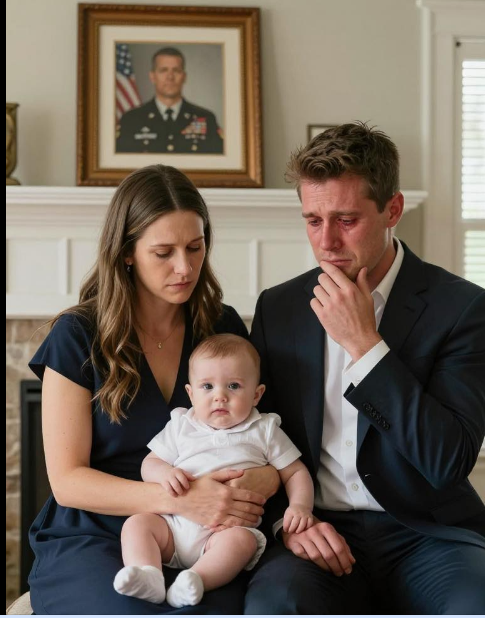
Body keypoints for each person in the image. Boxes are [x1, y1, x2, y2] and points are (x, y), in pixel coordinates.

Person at [245, 122, 485, 615]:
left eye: (346, 220)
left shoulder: (462, 308)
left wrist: (365, 344)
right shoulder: (279, 308)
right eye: (313, 220)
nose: (327, 242)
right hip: (316, 526)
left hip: (428, 533)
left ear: (392, 210)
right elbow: (257, 436)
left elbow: (448, 459)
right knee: (274, 606)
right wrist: (289, 522)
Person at [27, 164, 280, 615]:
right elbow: (67, 481)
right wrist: (182, 499)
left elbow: (260, 435)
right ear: (126, 252)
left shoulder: (220, 327)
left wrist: (262, 479)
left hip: (205, 537)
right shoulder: (77, 335)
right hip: (98, 530)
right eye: (163, 253)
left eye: (195, 247)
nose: (185, 267)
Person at [113, 333, 314, 607]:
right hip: (173, 526)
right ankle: (148, 574)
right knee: (137, 524)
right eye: (207, 386)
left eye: (233, 386)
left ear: (256, 395)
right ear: (191, 393)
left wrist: (301, 506)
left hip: (223, 533)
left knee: (242, 543)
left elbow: (295, 472)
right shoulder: (182, 424)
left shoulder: (264, 429)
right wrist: (164, 474)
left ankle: (196, 580)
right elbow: (150, 463)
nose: (220, 396)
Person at [117, 47, 224, 154]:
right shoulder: (131, 120)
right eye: (163, 70)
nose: (170, 77)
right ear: (152, 76)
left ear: (184, 77)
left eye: (176, 70)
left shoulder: (205, 119)